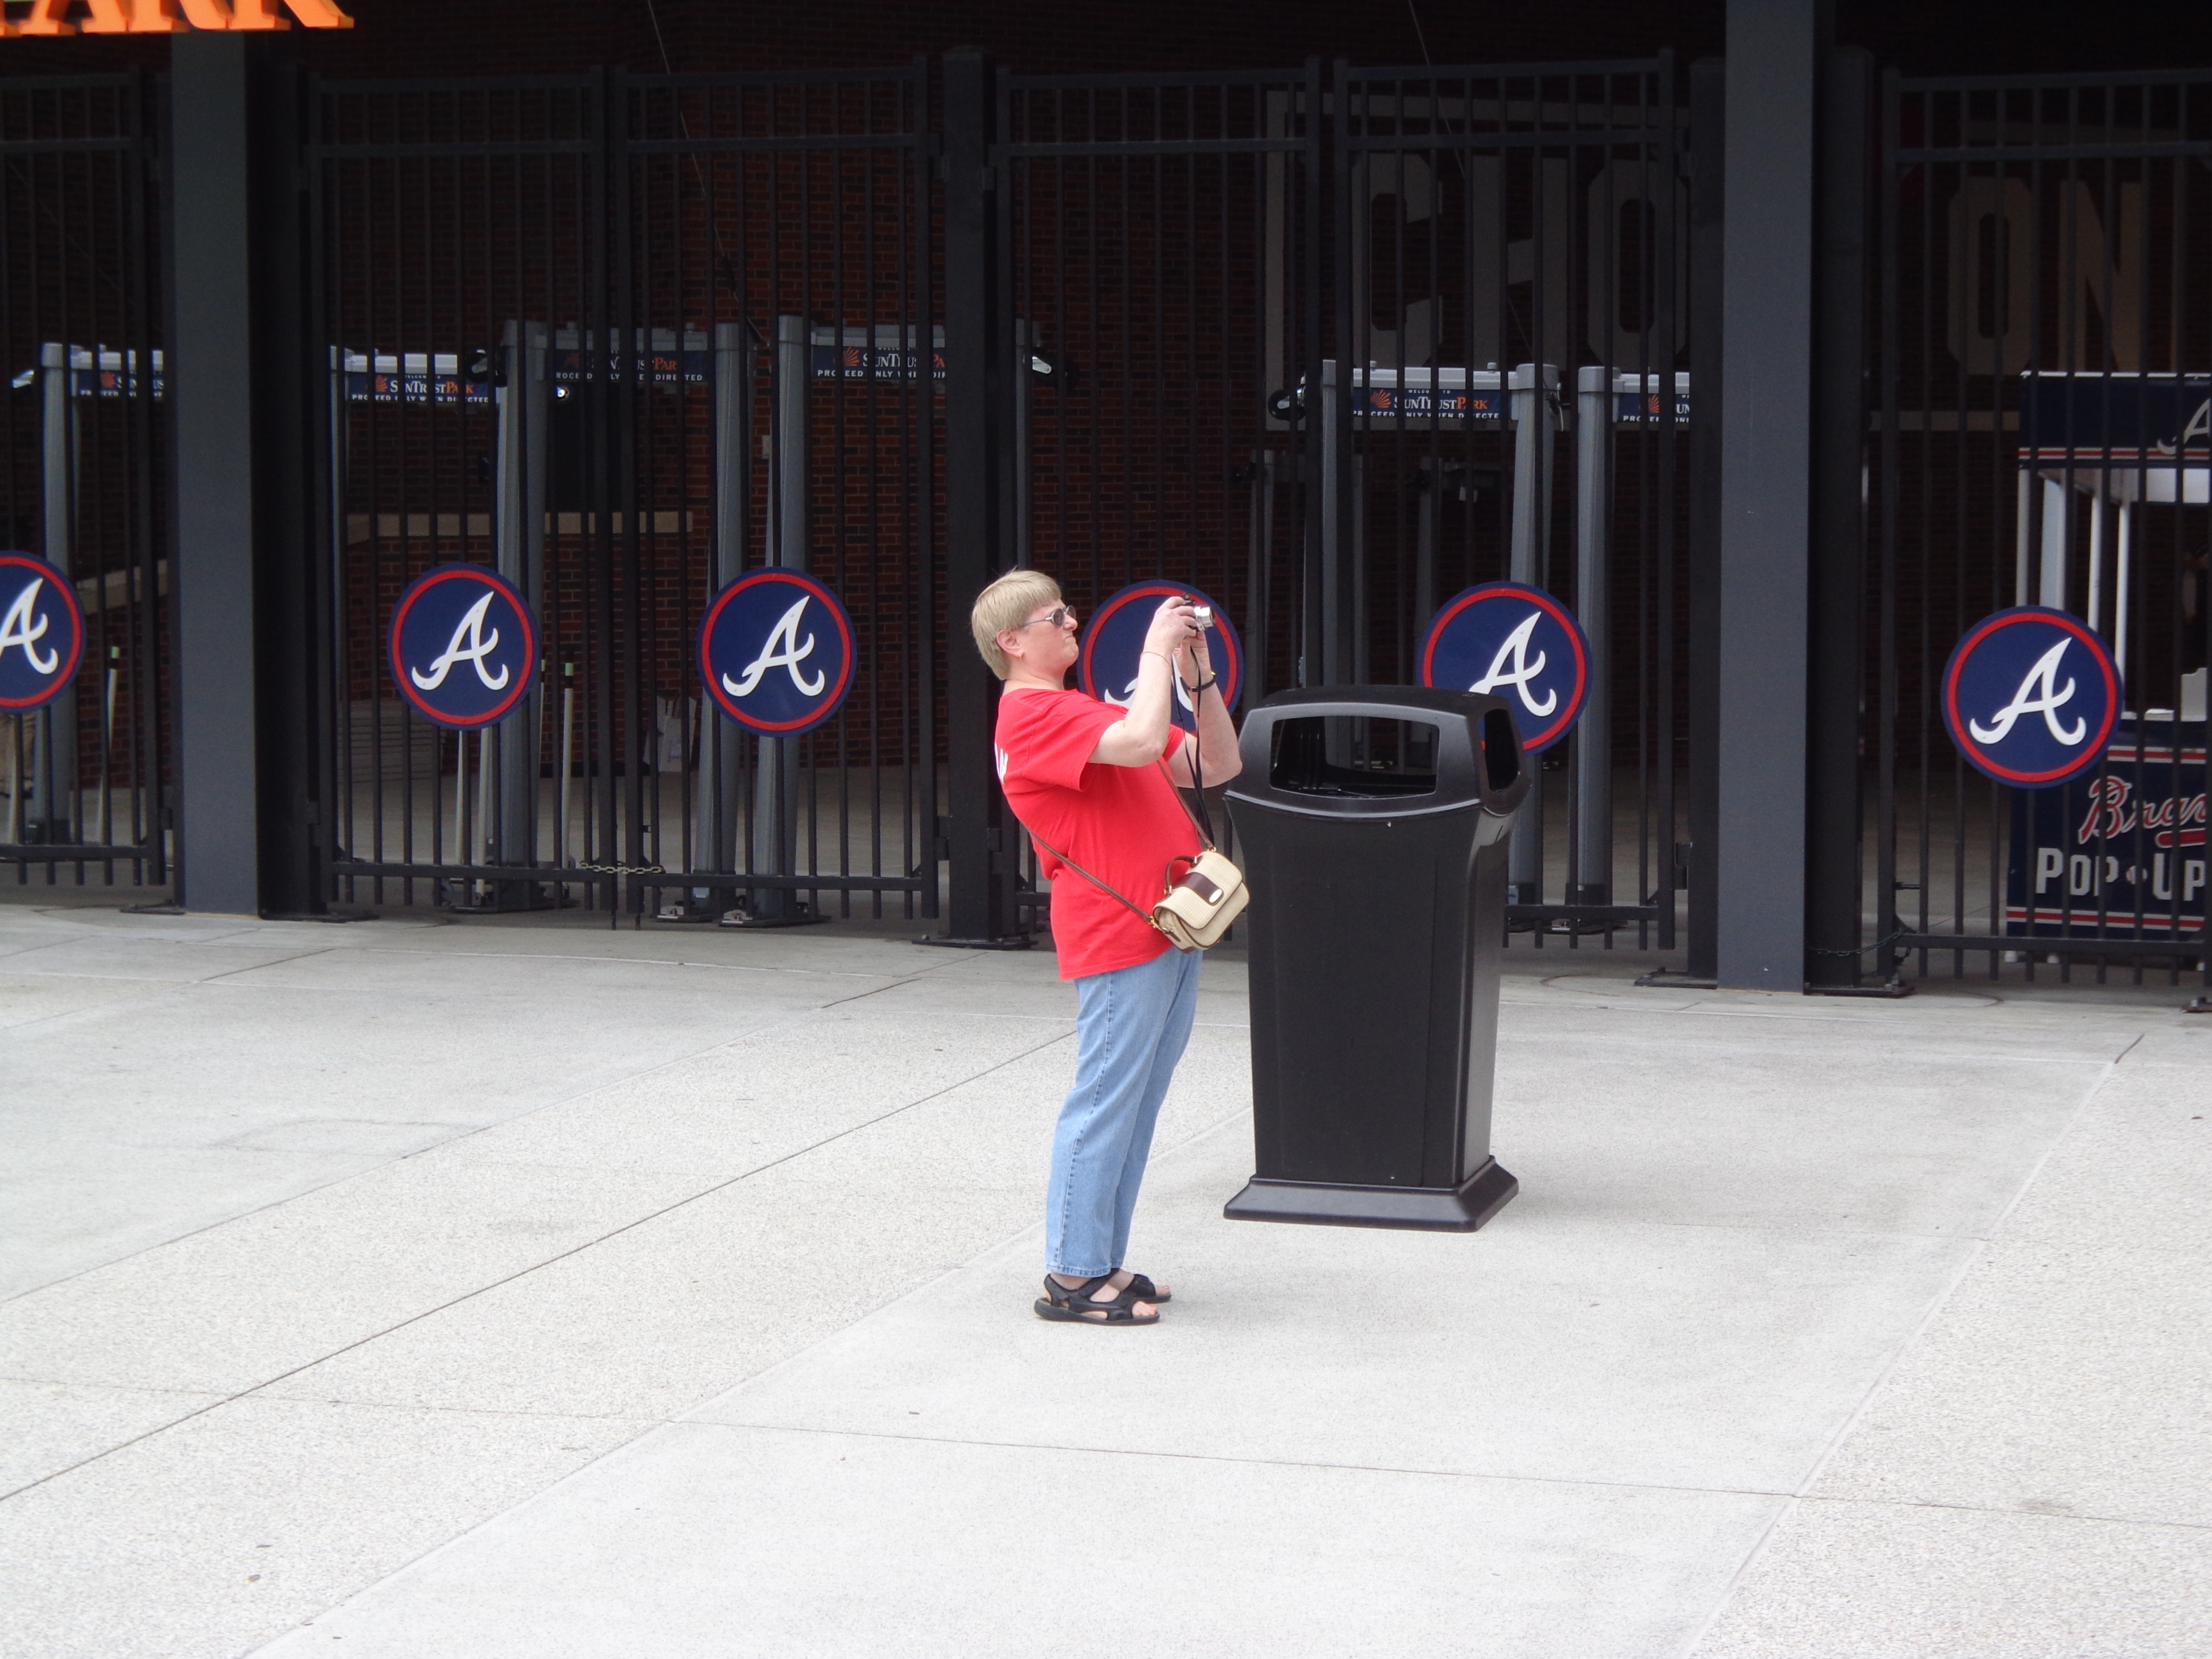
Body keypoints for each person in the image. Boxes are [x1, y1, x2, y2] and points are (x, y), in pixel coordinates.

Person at [971, 571, 1241, 1326]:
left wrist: (1197, 676)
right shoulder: (1028, 713)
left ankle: (1098, 1259)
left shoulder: (1080, 708)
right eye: (1054, 617)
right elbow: (1143, 741)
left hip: (1165, 923)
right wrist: (1155, 651)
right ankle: (1072, 1272)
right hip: (1119, 930)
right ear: (1012, 641)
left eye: (1068, 612)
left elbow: (1217, 765)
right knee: (1105, 1103)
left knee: (1135, 1104)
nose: (1071, 623)